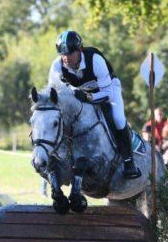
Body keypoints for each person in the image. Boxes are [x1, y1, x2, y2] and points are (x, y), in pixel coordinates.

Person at [47, 30, 140, 179]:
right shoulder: (57, 66)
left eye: (69, 53)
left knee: (118, 118)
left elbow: (107, 93)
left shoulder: (95, 60)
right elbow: (53, 93)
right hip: (79, 95)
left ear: (79, 50)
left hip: (107, 90)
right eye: (62, 54)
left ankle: (129, 162)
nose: (65, 58)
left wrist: (88, 96)